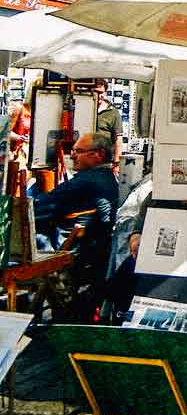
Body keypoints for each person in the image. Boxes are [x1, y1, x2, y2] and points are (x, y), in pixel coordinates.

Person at [33, 132, 119, 321]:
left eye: (78, 151)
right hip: (92, 258)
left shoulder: (88, 181)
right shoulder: (106, 178)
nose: (72, 156)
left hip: (72, 258)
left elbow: (40, 207)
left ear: (98, 154)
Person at [95, 80, 123, 171]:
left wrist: (116, 163)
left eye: (101, 92)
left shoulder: (113, 112)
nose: (99, 96)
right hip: (84, 161)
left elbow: (118, 139)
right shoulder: (83, 108)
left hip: (104, 163)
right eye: (96, 92)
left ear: (105, 92)